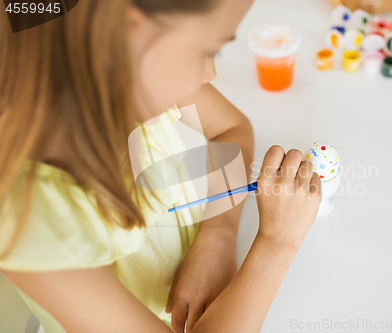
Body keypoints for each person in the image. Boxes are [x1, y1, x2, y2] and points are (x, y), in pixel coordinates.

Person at [0, 0, 322, 332]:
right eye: (210, 50)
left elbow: (231, 129)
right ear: (132, 28)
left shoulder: (124, 68)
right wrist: (277, 242)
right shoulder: (27, 219)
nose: (210, 74)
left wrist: (218, 235)